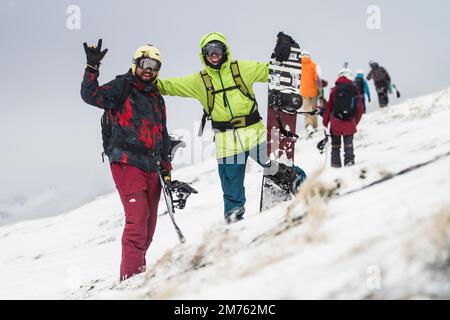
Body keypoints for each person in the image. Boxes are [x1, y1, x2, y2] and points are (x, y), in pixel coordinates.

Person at [157, 31, 305, 223]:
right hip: (226, 143)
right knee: (232, 191)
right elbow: (168, 86)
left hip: (255, 133)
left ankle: (306, 186)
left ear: (224, 51)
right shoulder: (199, 81)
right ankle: (235, 225)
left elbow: (272, 71)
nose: (213, 54)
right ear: (203, 55)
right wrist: (141, 77)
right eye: (208, 51)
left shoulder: (241, 68)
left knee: (279, 167)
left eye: (217, 49)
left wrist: (286, 44)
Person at [80, 40, 172, 281]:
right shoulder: (123, 87)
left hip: (152, 166)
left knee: (149, 228)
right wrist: (92, 67)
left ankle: (137, 276)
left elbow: (162, 134)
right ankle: (130, 282)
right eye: (145, 63)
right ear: (136, 64)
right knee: (137, 221)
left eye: (154, 65)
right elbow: (91, 95)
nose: (148, 69)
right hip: (126, 161)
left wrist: (167, 169)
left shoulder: (157, 98)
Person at [323, 68, 364, 167]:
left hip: (335, 123)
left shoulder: (334, 90)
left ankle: (335, 166)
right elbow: (360, 109)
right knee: (348, 146)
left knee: (335, 147)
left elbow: (328, 108)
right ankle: (349, 165)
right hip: (350, 123)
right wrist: (354, 122)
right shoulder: (354, 90)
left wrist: (325, 123)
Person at [299, 51, 319, 135]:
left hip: (303, 91)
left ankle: (308, 125)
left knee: (306, 109)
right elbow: (316, 78)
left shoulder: (299, 67)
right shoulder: (314, 66)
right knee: (314, 109)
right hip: (314, 91)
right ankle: (315, 126)